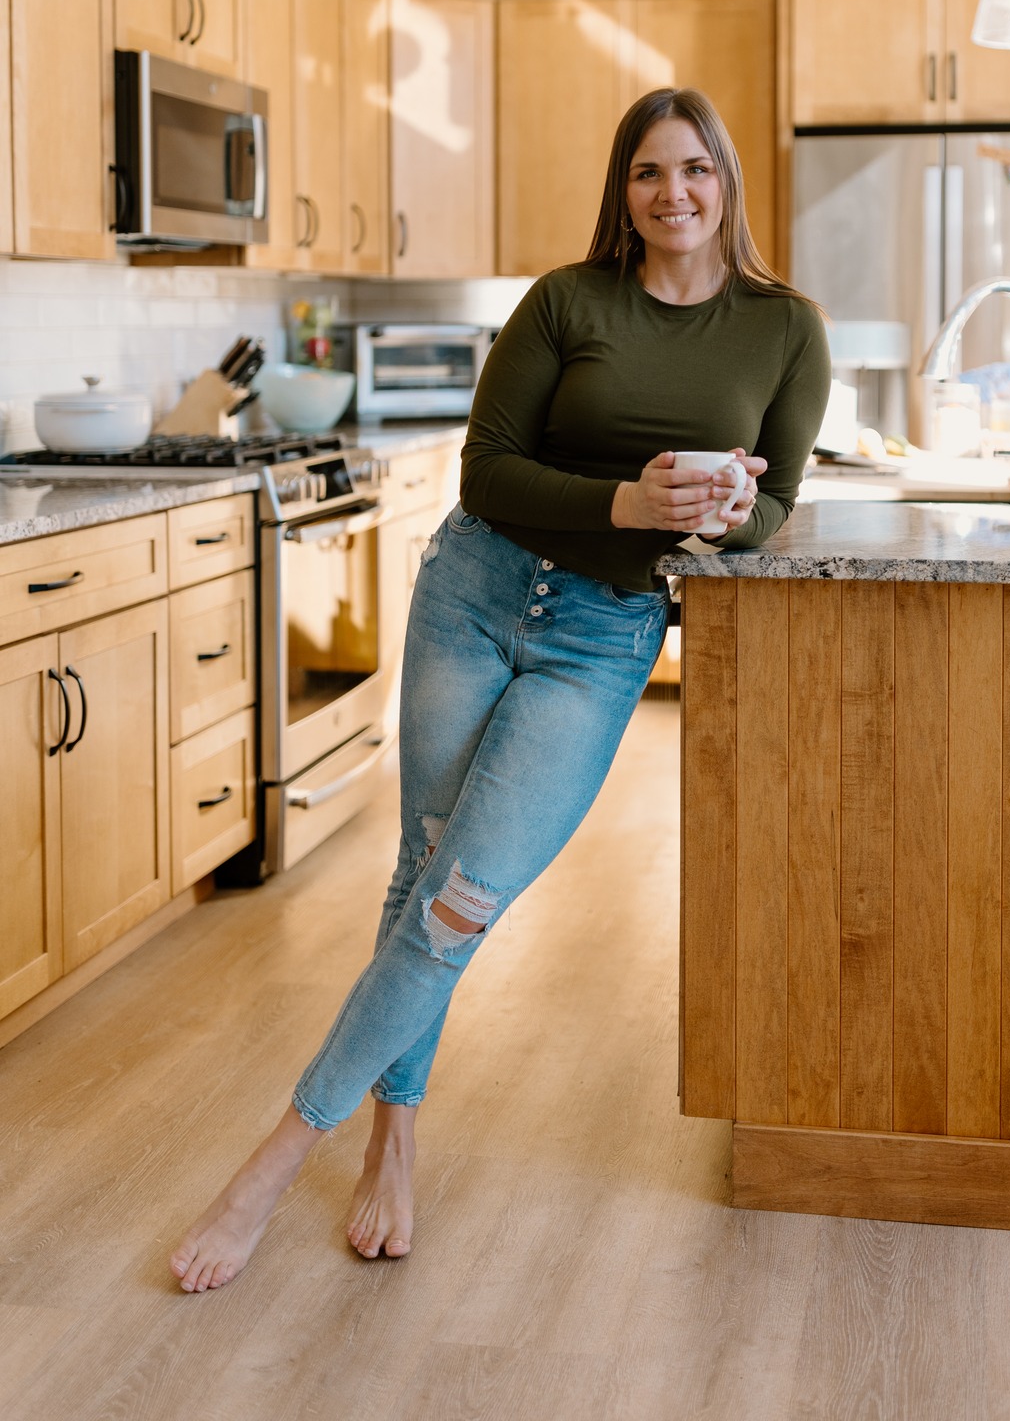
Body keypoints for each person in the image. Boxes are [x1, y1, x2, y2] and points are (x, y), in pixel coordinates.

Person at [170, 86, 831, 1292]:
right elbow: (487, 469)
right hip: (474, 593)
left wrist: (736, 516)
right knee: (421, 870)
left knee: (458, 901)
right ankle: (394, 1137)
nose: (672, 192)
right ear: (621, 190)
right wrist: (625, 501)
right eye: (647, 171)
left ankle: (268, 1163)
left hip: (603, 637)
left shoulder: (786, 326)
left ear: (726, 180)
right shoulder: (565, 299)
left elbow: (778, 498)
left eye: (694, 168)